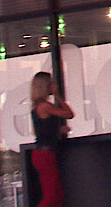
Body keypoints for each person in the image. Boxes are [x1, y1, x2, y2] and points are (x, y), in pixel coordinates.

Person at [31, 72, 74, 207]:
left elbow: (44, 130)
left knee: (57, 194)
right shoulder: (45, 106)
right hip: (45, 153)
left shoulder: (38, 106)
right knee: (52, 195)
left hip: (44, 152)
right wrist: (58, 96)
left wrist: (58, 130)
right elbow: (69, 114)